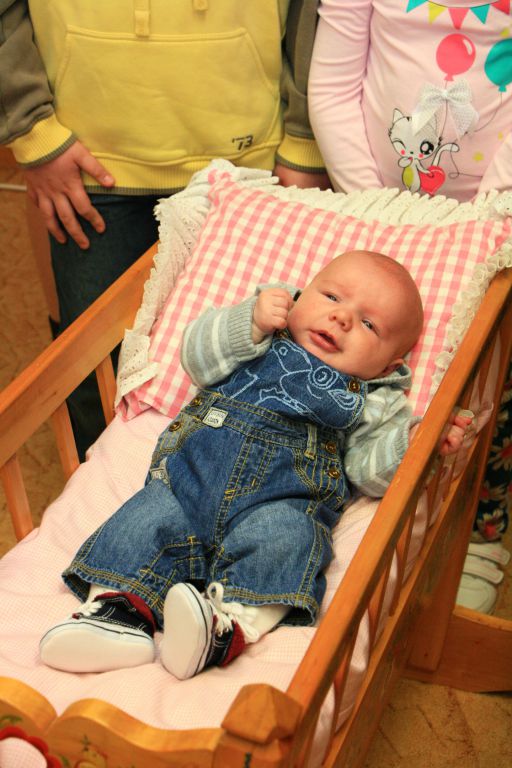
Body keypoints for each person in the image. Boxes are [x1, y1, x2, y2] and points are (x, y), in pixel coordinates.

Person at [39, 250, 471, 679]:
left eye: (369, 325)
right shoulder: (261, 329)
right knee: (144, 519)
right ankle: (114, 614)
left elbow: (367, 472)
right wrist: (248, 321)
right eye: (332, 297)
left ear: (390, 366)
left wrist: (417, 443)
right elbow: (196, 358)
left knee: (291, 537)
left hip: (279, 503)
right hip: (187, 484)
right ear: (301, 295)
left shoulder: (376, 398)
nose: (342, 318)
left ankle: (223, 626)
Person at [0, 0, 329, 459]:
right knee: (92, 373)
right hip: (87, 164)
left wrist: (305, 138)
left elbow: (313, 12)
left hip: (250, 161)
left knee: (259, 359)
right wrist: (31, 129)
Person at [307, 0, 511, 549]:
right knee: (368, 361)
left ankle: (480, 533)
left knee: (493, 379)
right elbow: (332, 88)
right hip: (373, 209)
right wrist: (377, 211)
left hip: (495, 218)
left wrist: (487, 218)